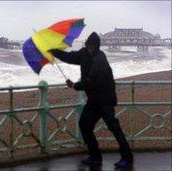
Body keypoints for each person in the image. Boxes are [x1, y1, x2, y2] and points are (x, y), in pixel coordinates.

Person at [49, 32, 133, 168]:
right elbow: (69, 57)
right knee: (84, 124)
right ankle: (95, 157)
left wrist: (75, 85)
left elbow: (91, 81)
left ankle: (127, 157)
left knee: (114, 128)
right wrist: (54, 51)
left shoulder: (100, 59)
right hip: (94, 100)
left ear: (97, 46)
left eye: (92, 46)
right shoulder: (83, 54)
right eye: (88, 45)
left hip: (105, 100)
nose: (90, 48)